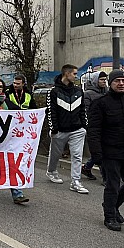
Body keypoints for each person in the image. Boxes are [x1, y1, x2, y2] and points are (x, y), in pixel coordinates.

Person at [87, 69, 124, 231]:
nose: (121, 83)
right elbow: (94, 130)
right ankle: (109, 216)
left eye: (123, 81)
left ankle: (113, 206)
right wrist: (97, 154)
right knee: (113, 185)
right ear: (110, 83)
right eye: (117, 81)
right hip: (110, 151)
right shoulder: (100, 103)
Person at [46, 64, 89, 194]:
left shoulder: (78, 90)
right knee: (55, 154)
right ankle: (51, 171)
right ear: (67, 74)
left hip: (77, 130)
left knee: (77, 156)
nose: (76, 76)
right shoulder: (54, 92)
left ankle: (76, 182)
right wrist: (54, 128)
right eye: (74, 74)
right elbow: (51, 111)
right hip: (60, 130)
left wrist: (84, 126)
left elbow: (82, 109)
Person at [82, 71, 108, 182]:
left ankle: (87, 167)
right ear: (95, 80)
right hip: (96, 127)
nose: (104, 82)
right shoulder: (88, 94)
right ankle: (106, 178)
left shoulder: (107, 92)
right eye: (101, 79)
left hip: (108, 126)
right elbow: (86, 110)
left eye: (105, 80)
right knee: (101, 151)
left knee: (103, 150)